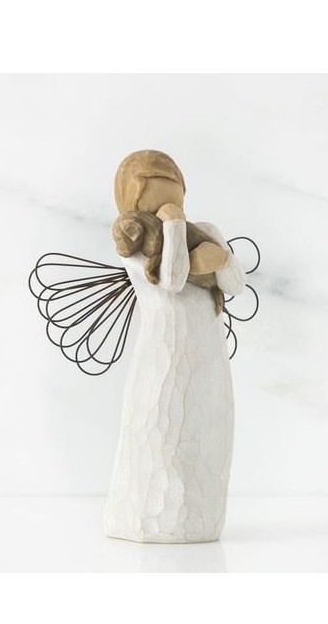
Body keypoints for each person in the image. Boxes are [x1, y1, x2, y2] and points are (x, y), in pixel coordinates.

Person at [104, 150, 246, 543]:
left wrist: (221, 259)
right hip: (162, 361)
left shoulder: (208, 231)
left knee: (205, 434)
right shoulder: (134, 243)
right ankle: (140, 519)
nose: (168, 197)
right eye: (156, 189)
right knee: (158, 437)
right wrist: (175, 225)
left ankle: (199, 521)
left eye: (173, 187)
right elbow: (172, 279)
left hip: (208, 358)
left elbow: (235, 284)